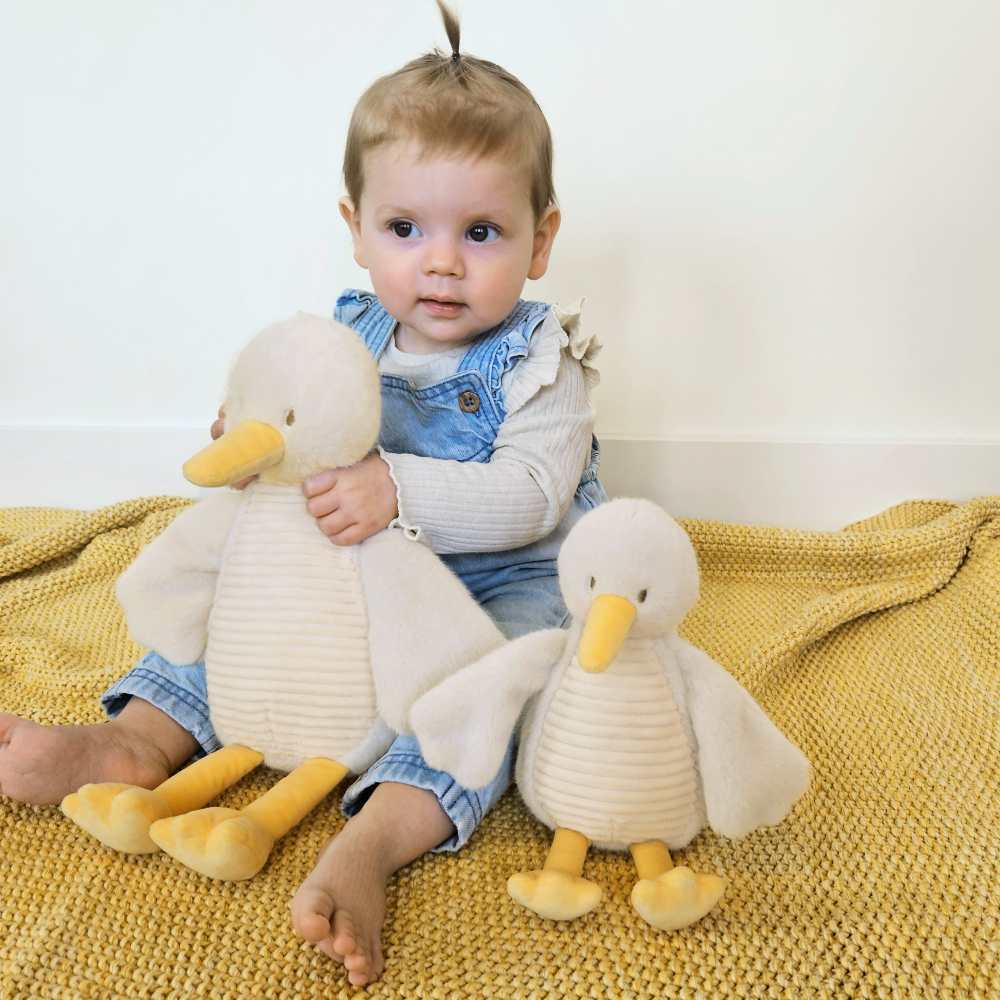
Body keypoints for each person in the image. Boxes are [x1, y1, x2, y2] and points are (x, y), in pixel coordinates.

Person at [0, 2, 605, 987]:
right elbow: (283, 423)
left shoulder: (540, 362)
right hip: (344, 567)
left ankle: (371, 843)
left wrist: (395, 485)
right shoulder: (344, 334)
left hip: (490, 577)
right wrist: (253, 449)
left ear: (540, 241)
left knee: (486, 693)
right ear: (355, 231)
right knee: (243, 598)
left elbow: (534, 497)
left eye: (482, 230)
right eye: (406, 227)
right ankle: (135, 739)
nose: (442, 260)